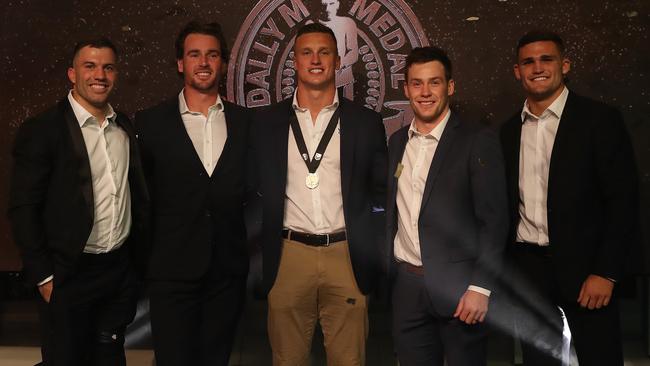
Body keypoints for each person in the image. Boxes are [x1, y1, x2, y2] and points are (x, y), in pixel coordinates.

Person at [249, 22, 387, 365]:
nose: (315, 60)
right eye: (307, 52)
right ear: (294, 61)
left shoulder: (366, 122)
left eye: (324, 52)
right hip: (288, 256)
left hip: (346, 256)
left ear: (338, 61)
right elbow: (250, 192)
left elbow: (381, 194)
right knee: (287, 360)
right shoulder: (265, 123)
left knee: (349, 360)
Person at [500, 30, 638, 366]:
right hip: (528, 268)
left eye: (546, 59)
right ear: (517, 71)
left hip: (588, 270)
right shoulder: (507, 132)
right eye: (528, 62)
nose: (537, 68)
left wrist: (606, 272)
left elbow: (623, 201)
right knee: (537, 360)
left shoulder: (599, 120)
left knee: (599, 357)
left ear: (565, 65)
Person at [8, 37, 148, 366]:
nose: (99, 74)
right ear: (73, 74)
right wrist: (44, 277)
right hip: (68, 276)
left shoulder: (123, 128)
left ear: (116, 74)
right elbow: (23, 209)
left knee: (110, 359)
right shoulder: (43, 130)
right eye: (90, 66)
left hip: (116, 273)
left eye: (108, 67)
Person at [135, 21, 250, 366]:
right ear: (180, 63)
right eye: (194, 54)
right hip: (171, 272)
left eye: (212, 55)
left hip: (227, 273)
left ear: (223, 63)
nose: (203, 62)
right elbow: (141, 199)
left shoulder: (246, 123)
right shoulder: (150, 123)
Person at [385, 46, 508, 366]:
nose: (425, 93)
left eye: (434, 83)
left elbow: (494, 221)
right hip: (408, 288)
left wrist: (481, 287)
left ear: (450, 86)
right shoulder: (397, 142)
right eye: (417, 83)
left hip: (461, 290)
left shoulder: (476, 139)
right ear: (406, 89)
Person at [319, 0, 359, 100]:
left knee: (349, 114)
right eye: (324, 5)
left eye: (331, 4)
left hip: (344, 81)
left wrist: (339, 65)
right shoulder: (310, 24)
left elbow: (353, 53)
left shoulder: (347, 23)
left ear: (337, 4)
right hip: (318, 84)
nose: (327, 9)